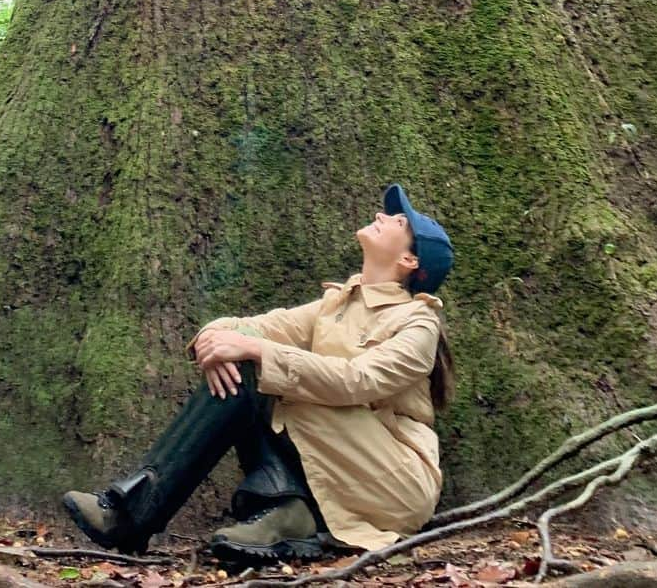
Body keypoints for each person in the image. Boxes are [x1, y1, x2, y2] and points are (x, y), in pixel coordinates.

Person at [63, 183, 455, 565]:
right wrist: (213, 337)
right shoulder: (335, 305)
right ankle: (288, 512)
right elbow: (257, 327)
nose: (379, 215)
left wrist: (254, 349)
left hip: (394, 481)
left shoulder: (419, 322)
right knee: (247, 362)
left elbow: (357, 380)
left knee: (258, 366)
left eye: (397, 221)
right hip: (346, 457)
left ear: (409, 261)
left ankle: (132, 515)